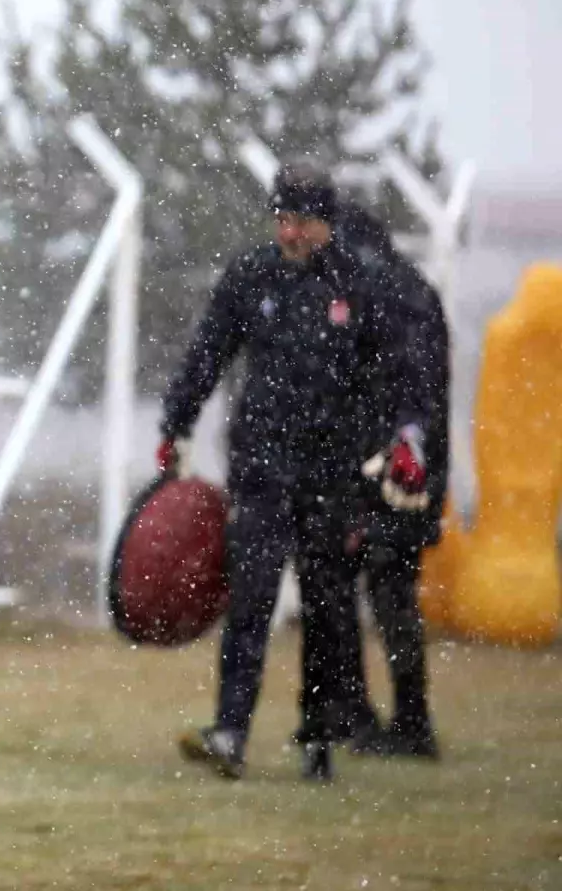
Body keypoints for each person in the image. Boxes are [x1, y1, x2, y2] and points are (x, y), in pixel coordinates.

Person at [159, 161, 431, 781]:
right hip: (260, 467)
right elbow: (208, 353)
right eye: (281, 219)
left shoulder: (359, 287)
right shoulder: (252, 276)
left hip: (332, 474)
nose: (289, 232)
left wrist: (407, 435)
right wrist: (175, 424)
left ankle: (318, 734)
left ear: (325, 223)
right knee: (250, 599)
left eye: (301, 221)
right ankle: (230, 730)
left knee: (327, 608)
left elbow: (399, 372)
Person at [328, 202, 449, 759]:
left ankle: (398, 722)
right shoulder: (414, 290)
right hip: (408, 468)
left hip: (394, 470)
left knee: (381, 587)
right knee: (386, 589)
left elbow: (403, 392)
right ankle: (390, 716)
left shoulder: (382, 296)